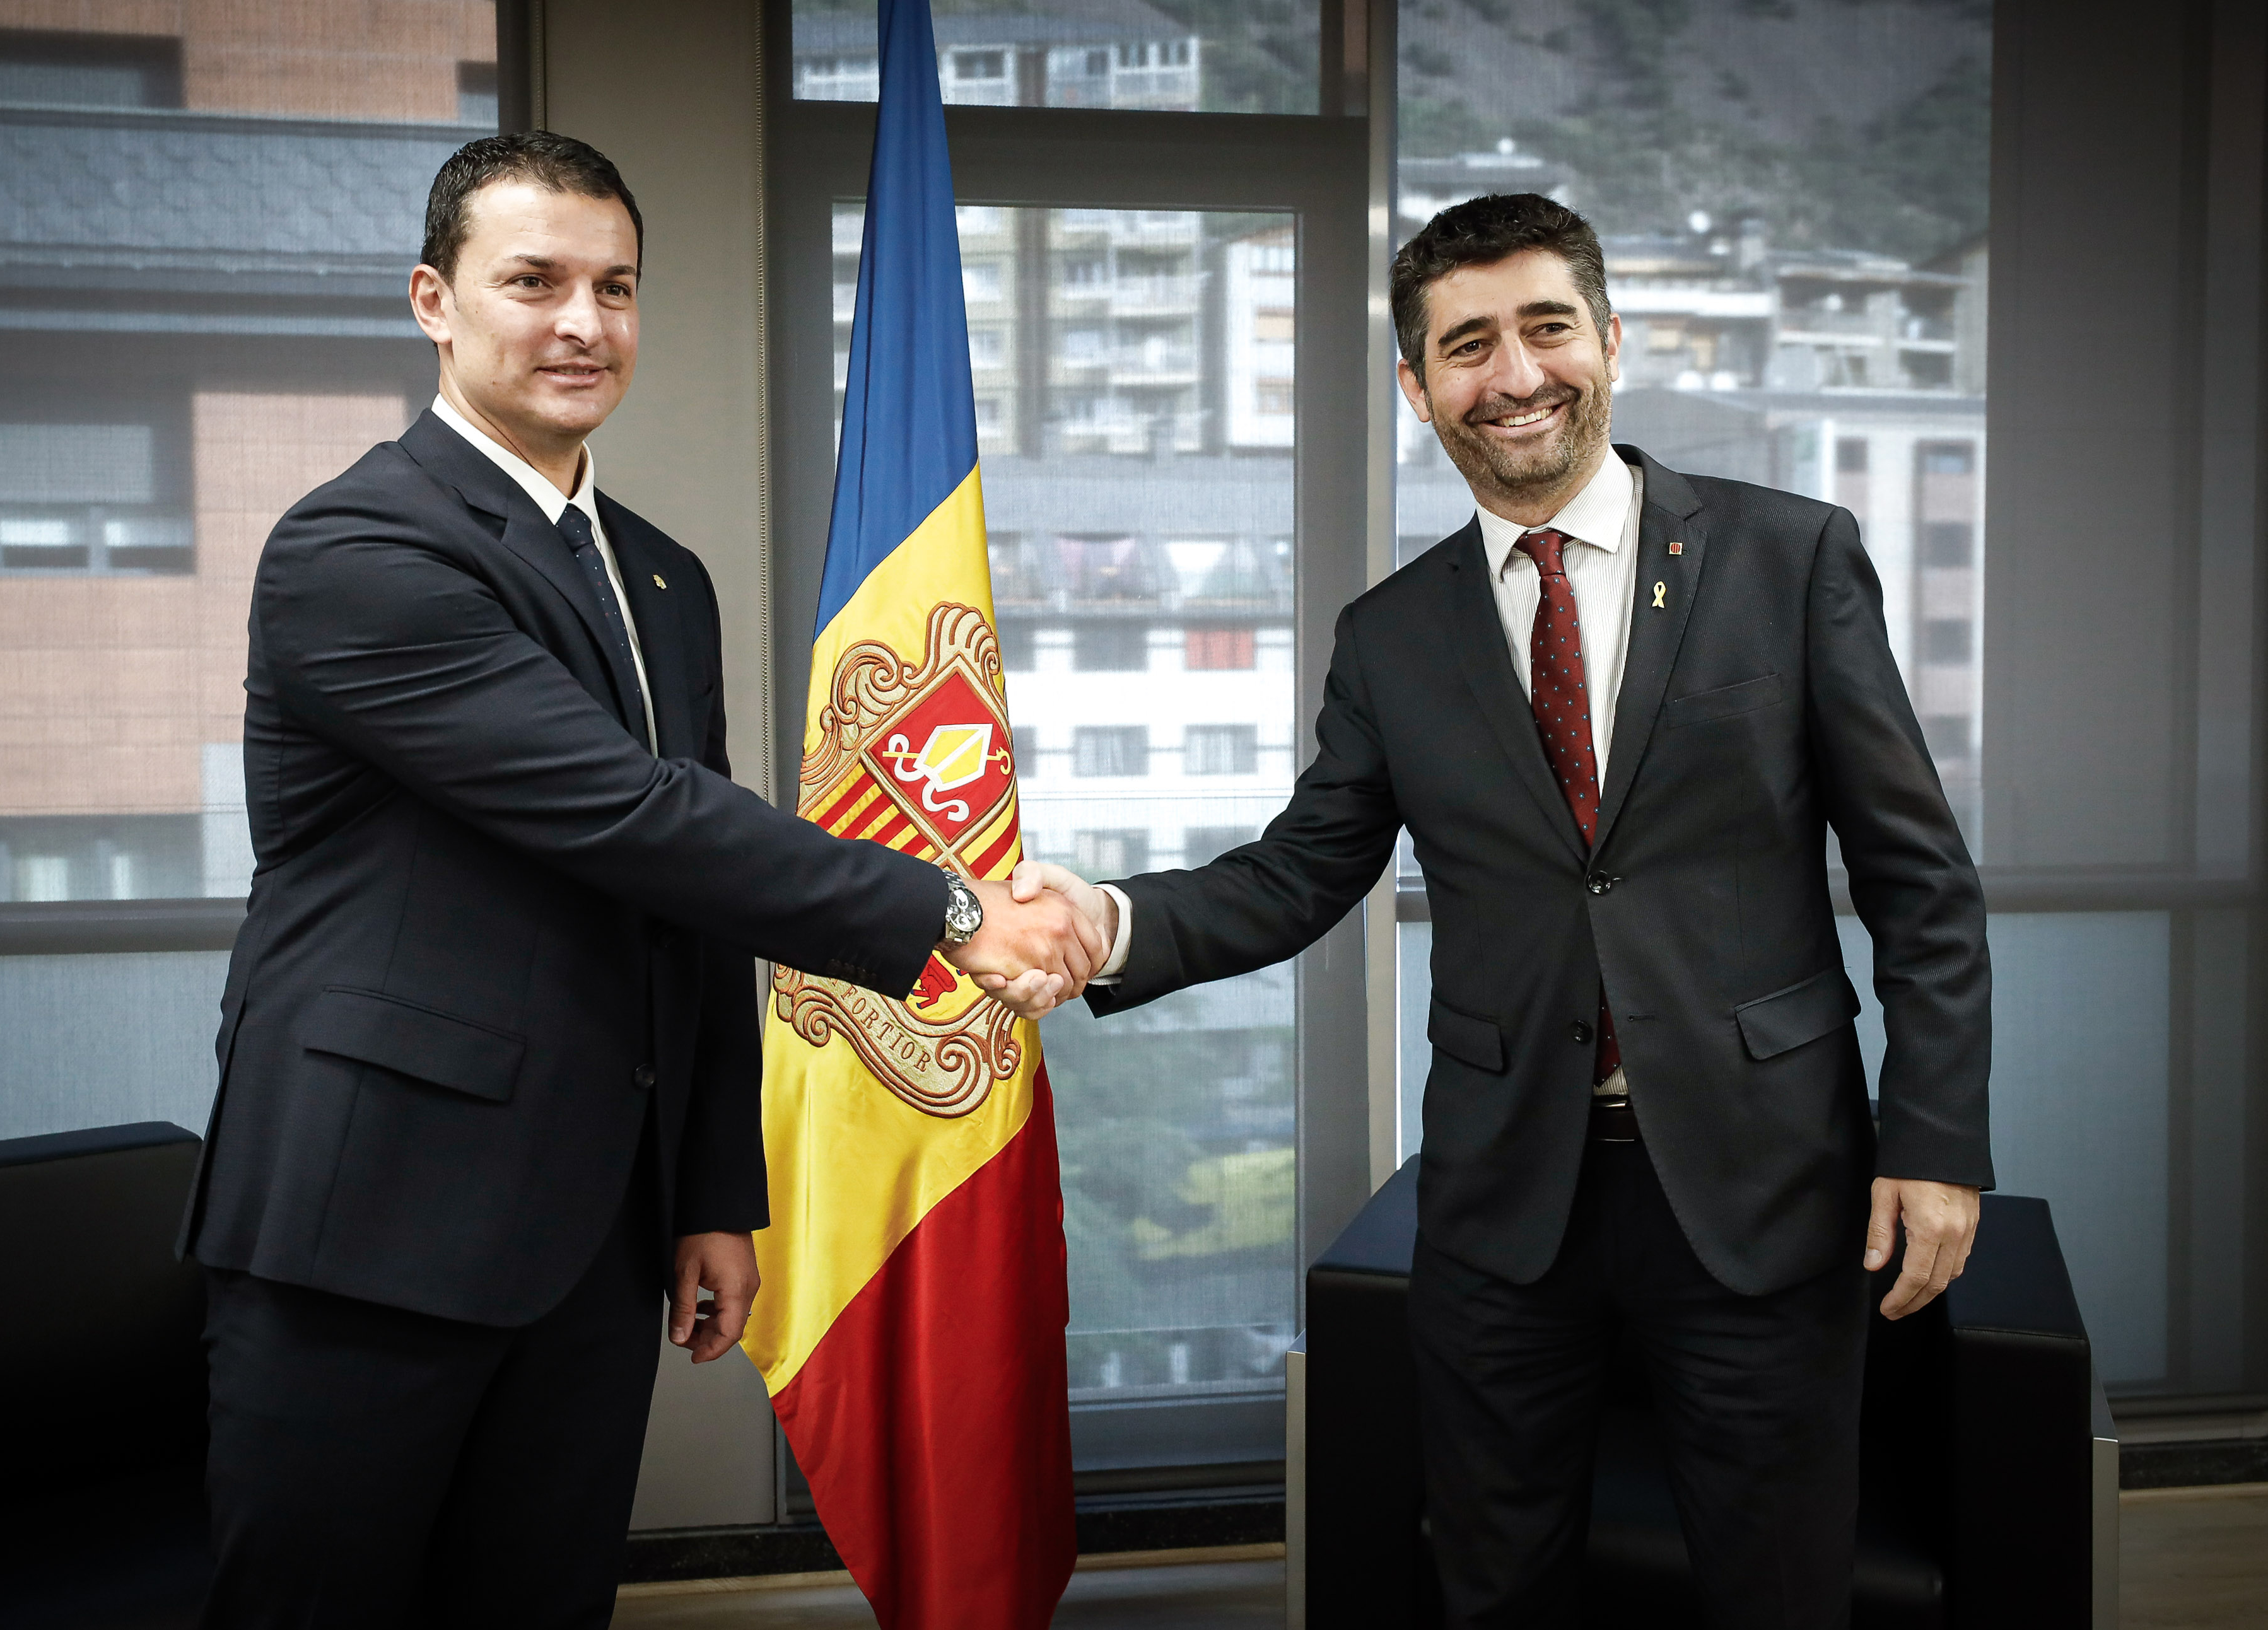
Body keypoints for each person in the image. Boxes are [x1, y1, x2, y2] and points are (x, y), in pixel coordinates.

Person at [990, 192, 1990, 1628]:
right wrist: (1107, 917)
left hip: (1767, 1179)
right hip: (1503, 1202)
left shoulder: (1791, 558)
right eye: (1466, 346)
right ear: (1418, 387)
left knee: (1777, 1588)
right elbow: (1300, 869)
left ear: (1608, 340)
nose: (1513, 375)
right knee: (1493, 1580)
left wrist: (1938, 1140)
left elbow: (1918, 877)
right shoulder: (1392, 634)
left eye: (1544, 328)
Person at [179, 131, 1096, 1629]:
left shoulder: (661, 571)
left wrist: (709, 1196)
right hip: (371, 1222)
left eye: (615, 286)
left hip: (588, 1235)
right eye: (532, 281)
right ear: (434, 298)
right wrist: (949, 908)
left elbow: (695, 891)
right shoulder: (360, 545)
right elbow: (630, 814)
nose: (582, 323)